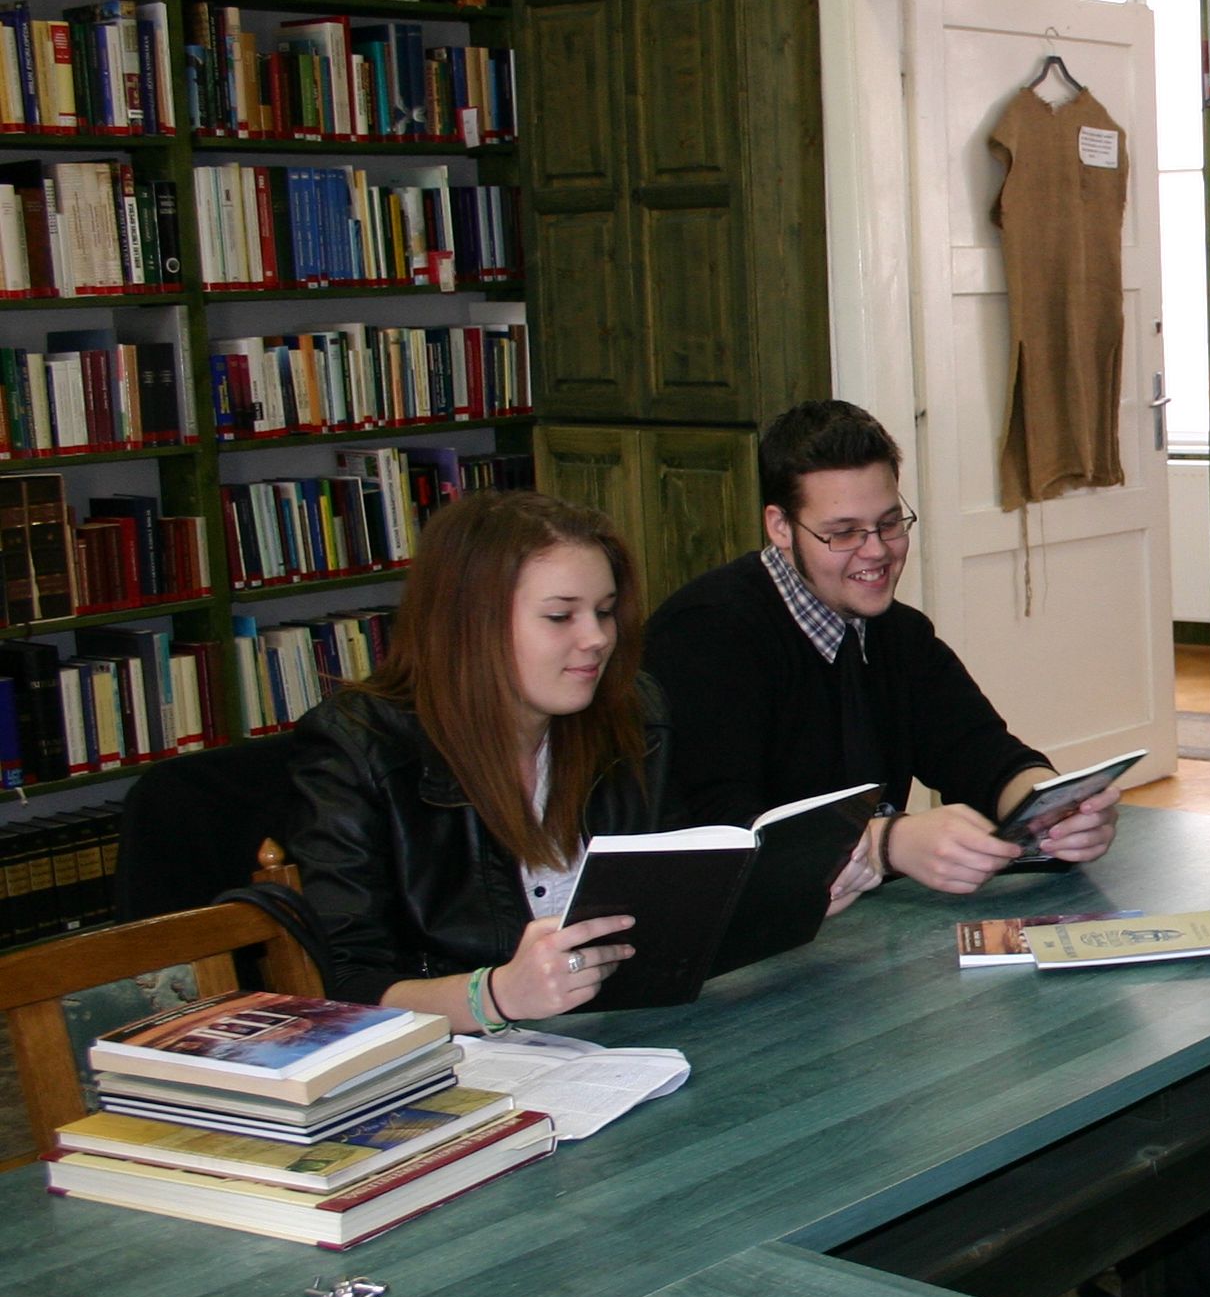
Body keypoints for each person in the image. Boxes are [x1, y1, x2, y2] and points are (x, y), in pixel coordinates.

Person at [644, 399, 1120, 905]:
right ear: (780, 526)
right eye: (843, 532)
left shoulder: (899, 633)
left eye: (890, 524)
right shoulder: (704, 636)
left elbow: (979, 752)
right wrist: (884, 844)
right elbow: (721, 836)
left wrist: (1054, 808)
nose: (875, 551)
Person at [284, 491, 661, 1028]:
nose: (597, 638)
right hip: (460, 1056)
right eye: (560, 616)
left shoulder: (632, 715)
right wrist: (495, 996)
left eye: (604, 612)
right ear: (469, 623)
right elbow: (340, 989)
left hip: (620, 1030)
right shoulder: (357, 749)